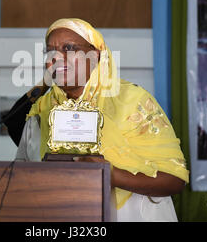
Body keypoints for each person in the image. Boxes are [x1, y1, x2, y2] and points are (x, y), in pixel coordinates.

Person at [15, 18, 189, 221]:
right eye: (50, 50)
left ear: (95, 55)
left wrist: (111, 175)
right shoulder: (40, 110)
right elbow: (19, 177)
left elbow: (175, 180)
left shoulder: (132, 101)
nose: (56, 57)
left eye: (69, 48)